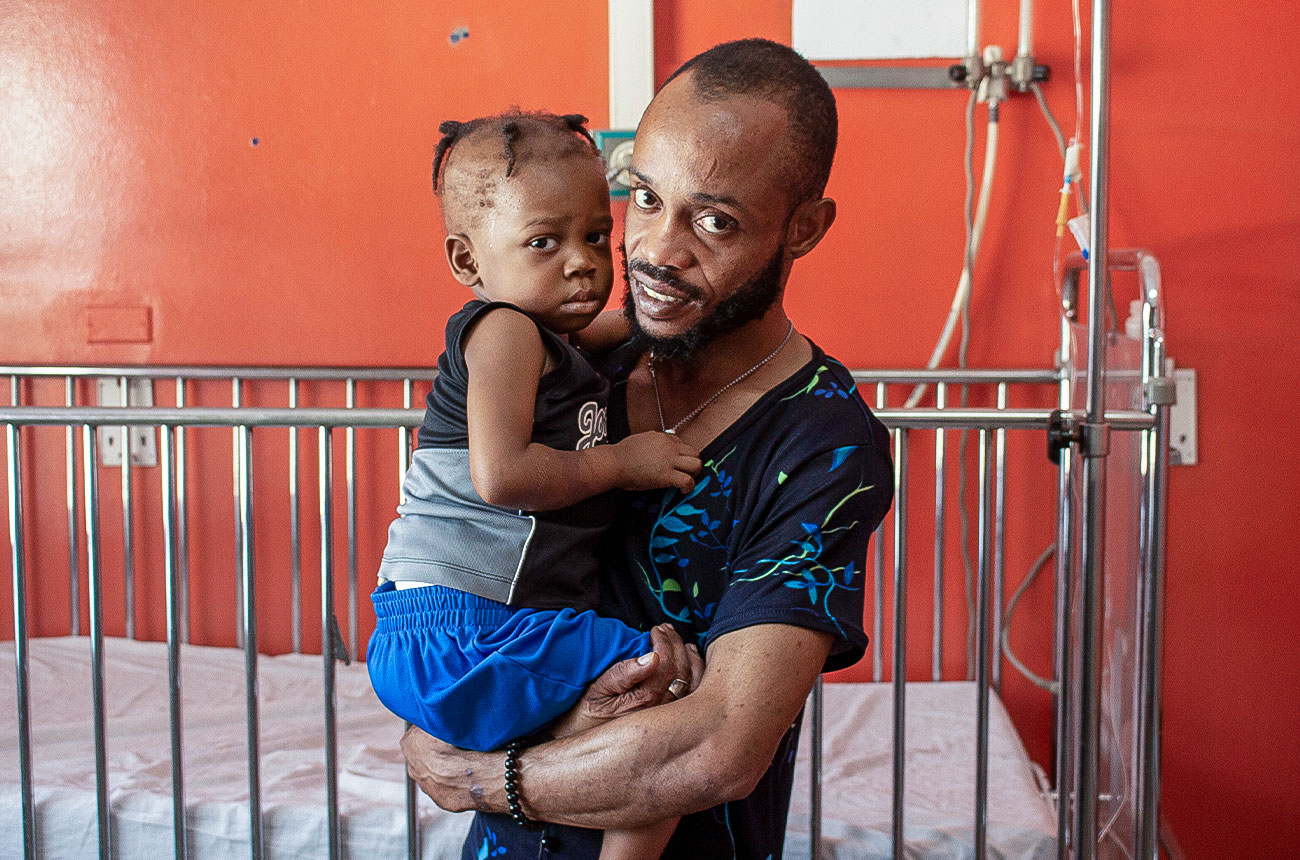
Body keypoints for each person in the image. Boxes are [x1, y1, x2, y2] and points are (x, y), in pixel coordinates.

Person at [401, 38, 896, 860]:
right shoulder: (572, 356)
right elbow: (456, 552)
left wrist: (478, 777)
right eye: (644, 197)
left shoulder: (822, 443)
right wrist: (434, 718)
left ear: (803, 228)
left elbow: (718, 748)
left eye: (714, 220)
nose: (656, 250)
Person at [366, 109, 705, 860]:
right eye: (544, 242)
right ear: (467, 261)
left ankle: (552, 762)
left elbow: (610, 333)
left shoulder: (548, 339)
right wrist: (625, 462)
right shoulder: (504, 332)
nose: (581, 261)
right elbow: (503, 474)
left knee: (616, 711)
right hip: (468, 628)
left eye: (595, 234)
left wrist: (660, 317)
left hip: (436, 633)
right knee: (667, 686)